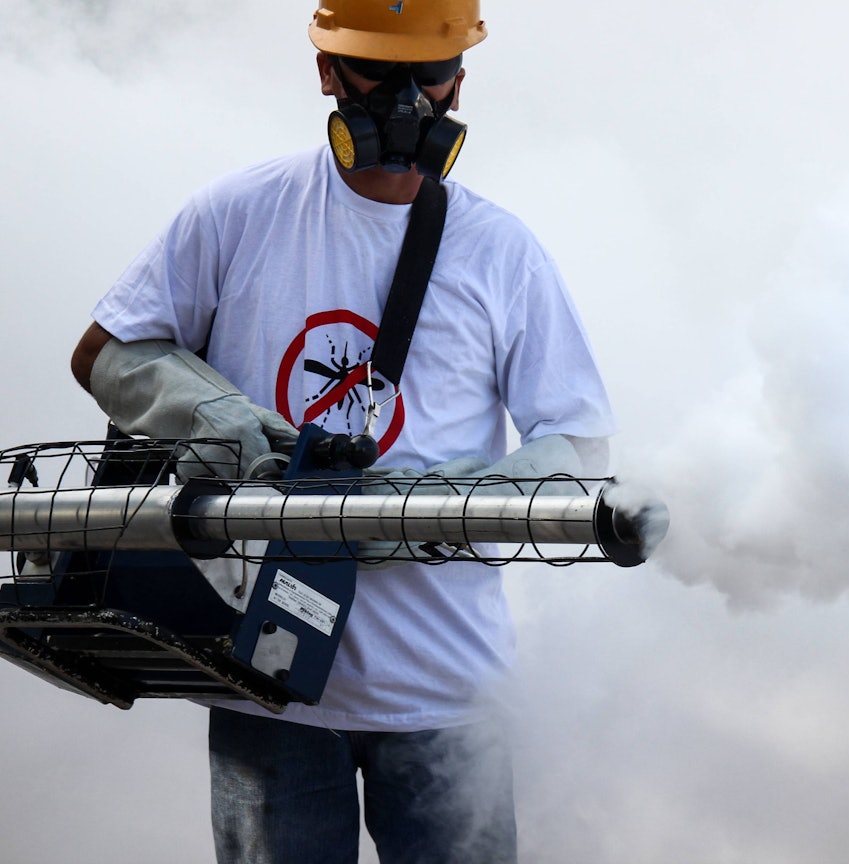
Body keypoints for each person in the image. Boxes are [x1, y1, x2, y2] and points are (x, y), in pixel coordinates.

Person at [69, 2, 615, 861]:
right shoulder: (239, 215)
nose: (408, 99)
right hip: (264, 684)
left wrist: (449, 505)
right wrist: (214, 416)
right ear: (326, 70)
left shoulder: (500, 251)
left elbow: (579, 442)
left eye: (428, 73)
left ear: (460, 80)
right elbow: (108, 352)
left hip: (446, 690)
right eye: (379, 70)